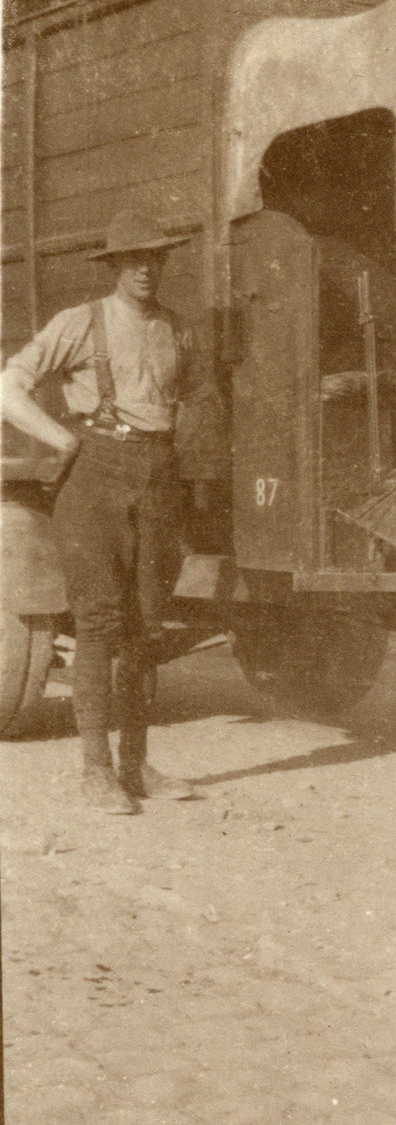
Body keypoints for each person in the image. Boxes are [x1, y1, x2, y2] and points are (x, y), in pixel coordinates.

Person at [1, 210, 217, 814]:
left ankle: (135, 765)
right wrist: (61, 438)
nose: (146, 269)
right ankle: (95, 770)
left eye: (155, 258)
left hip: (157, 477)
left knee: (145, 627)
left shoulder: (177, 329)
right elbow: (8, 385)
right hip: (94, 477)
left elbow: (198, 402)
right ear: (115, 265)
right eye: (134, 259)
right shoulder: (80, 322)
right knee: (97, 623)